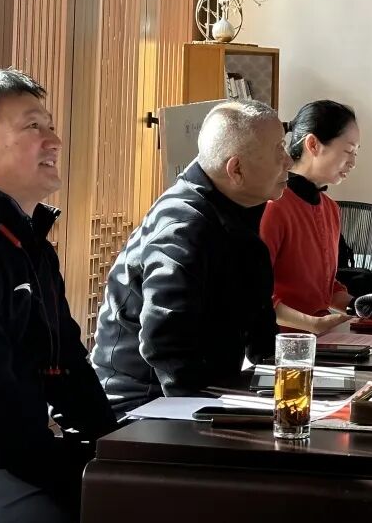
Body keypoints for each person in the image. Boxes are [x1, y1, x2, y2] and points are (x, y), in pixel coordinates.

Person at [0, 70, 117, 523]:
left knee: (153, 490)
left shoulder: (26, 240)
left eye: (51, 125)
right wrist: (57, 464)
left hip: (13, 448)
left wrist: (114, 447)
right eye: (33, 126)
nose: (54, 141)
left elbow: (67, 363)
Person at [92, 100, 290, 415]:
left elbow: (261, 332)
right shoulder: (183, 225)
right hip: (142, 406)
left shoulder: (237, 212)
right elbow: (164, 342)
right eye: (278, 149)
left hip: (209, 394)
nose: (289, 161)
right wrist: (205, 418)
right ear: (236, 169)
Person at [260, 100, 361, 334]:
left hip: (321, 338)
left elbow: (326, 289)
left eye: (356, 153)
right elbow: (253, 293)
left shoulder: (330, 208)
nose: (353, 163)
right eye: (348, 151)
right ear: (313, 144)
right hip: (277, 341)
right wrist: (311, 324)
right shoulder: (273, 205)